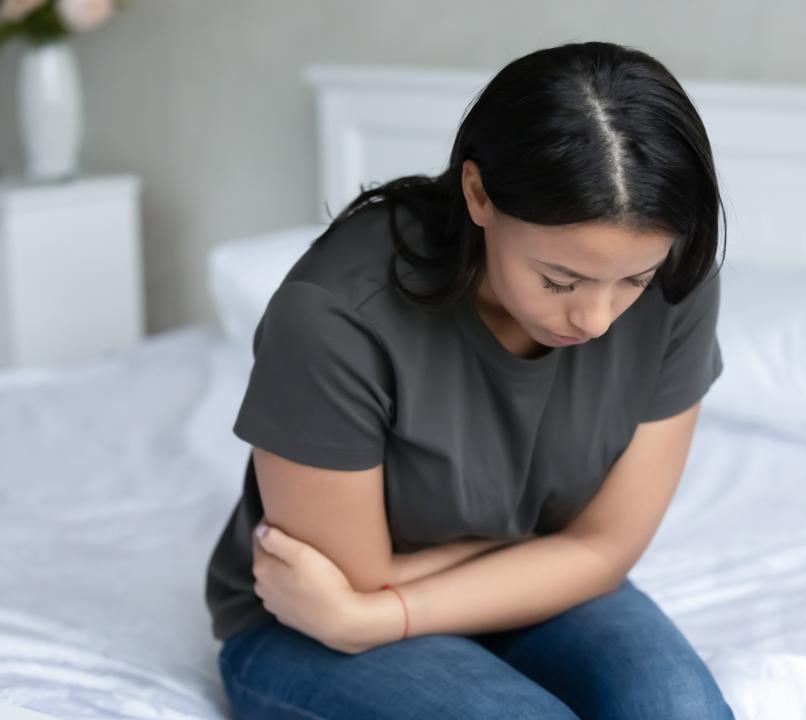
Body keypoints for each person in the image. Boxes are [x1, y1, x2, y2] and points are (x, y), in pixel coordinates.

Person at [204, 40, 735, 719]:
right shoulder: (335, 314)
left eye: (632, 280)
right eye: (559, 279)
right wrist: (551, 555)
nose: (597, 318)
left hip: (400, 611)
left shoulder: (675, 280)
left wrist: (381, 612)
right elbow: (348, 581)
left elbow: (606, 550)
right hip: (303, 627)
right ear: (479, 194)